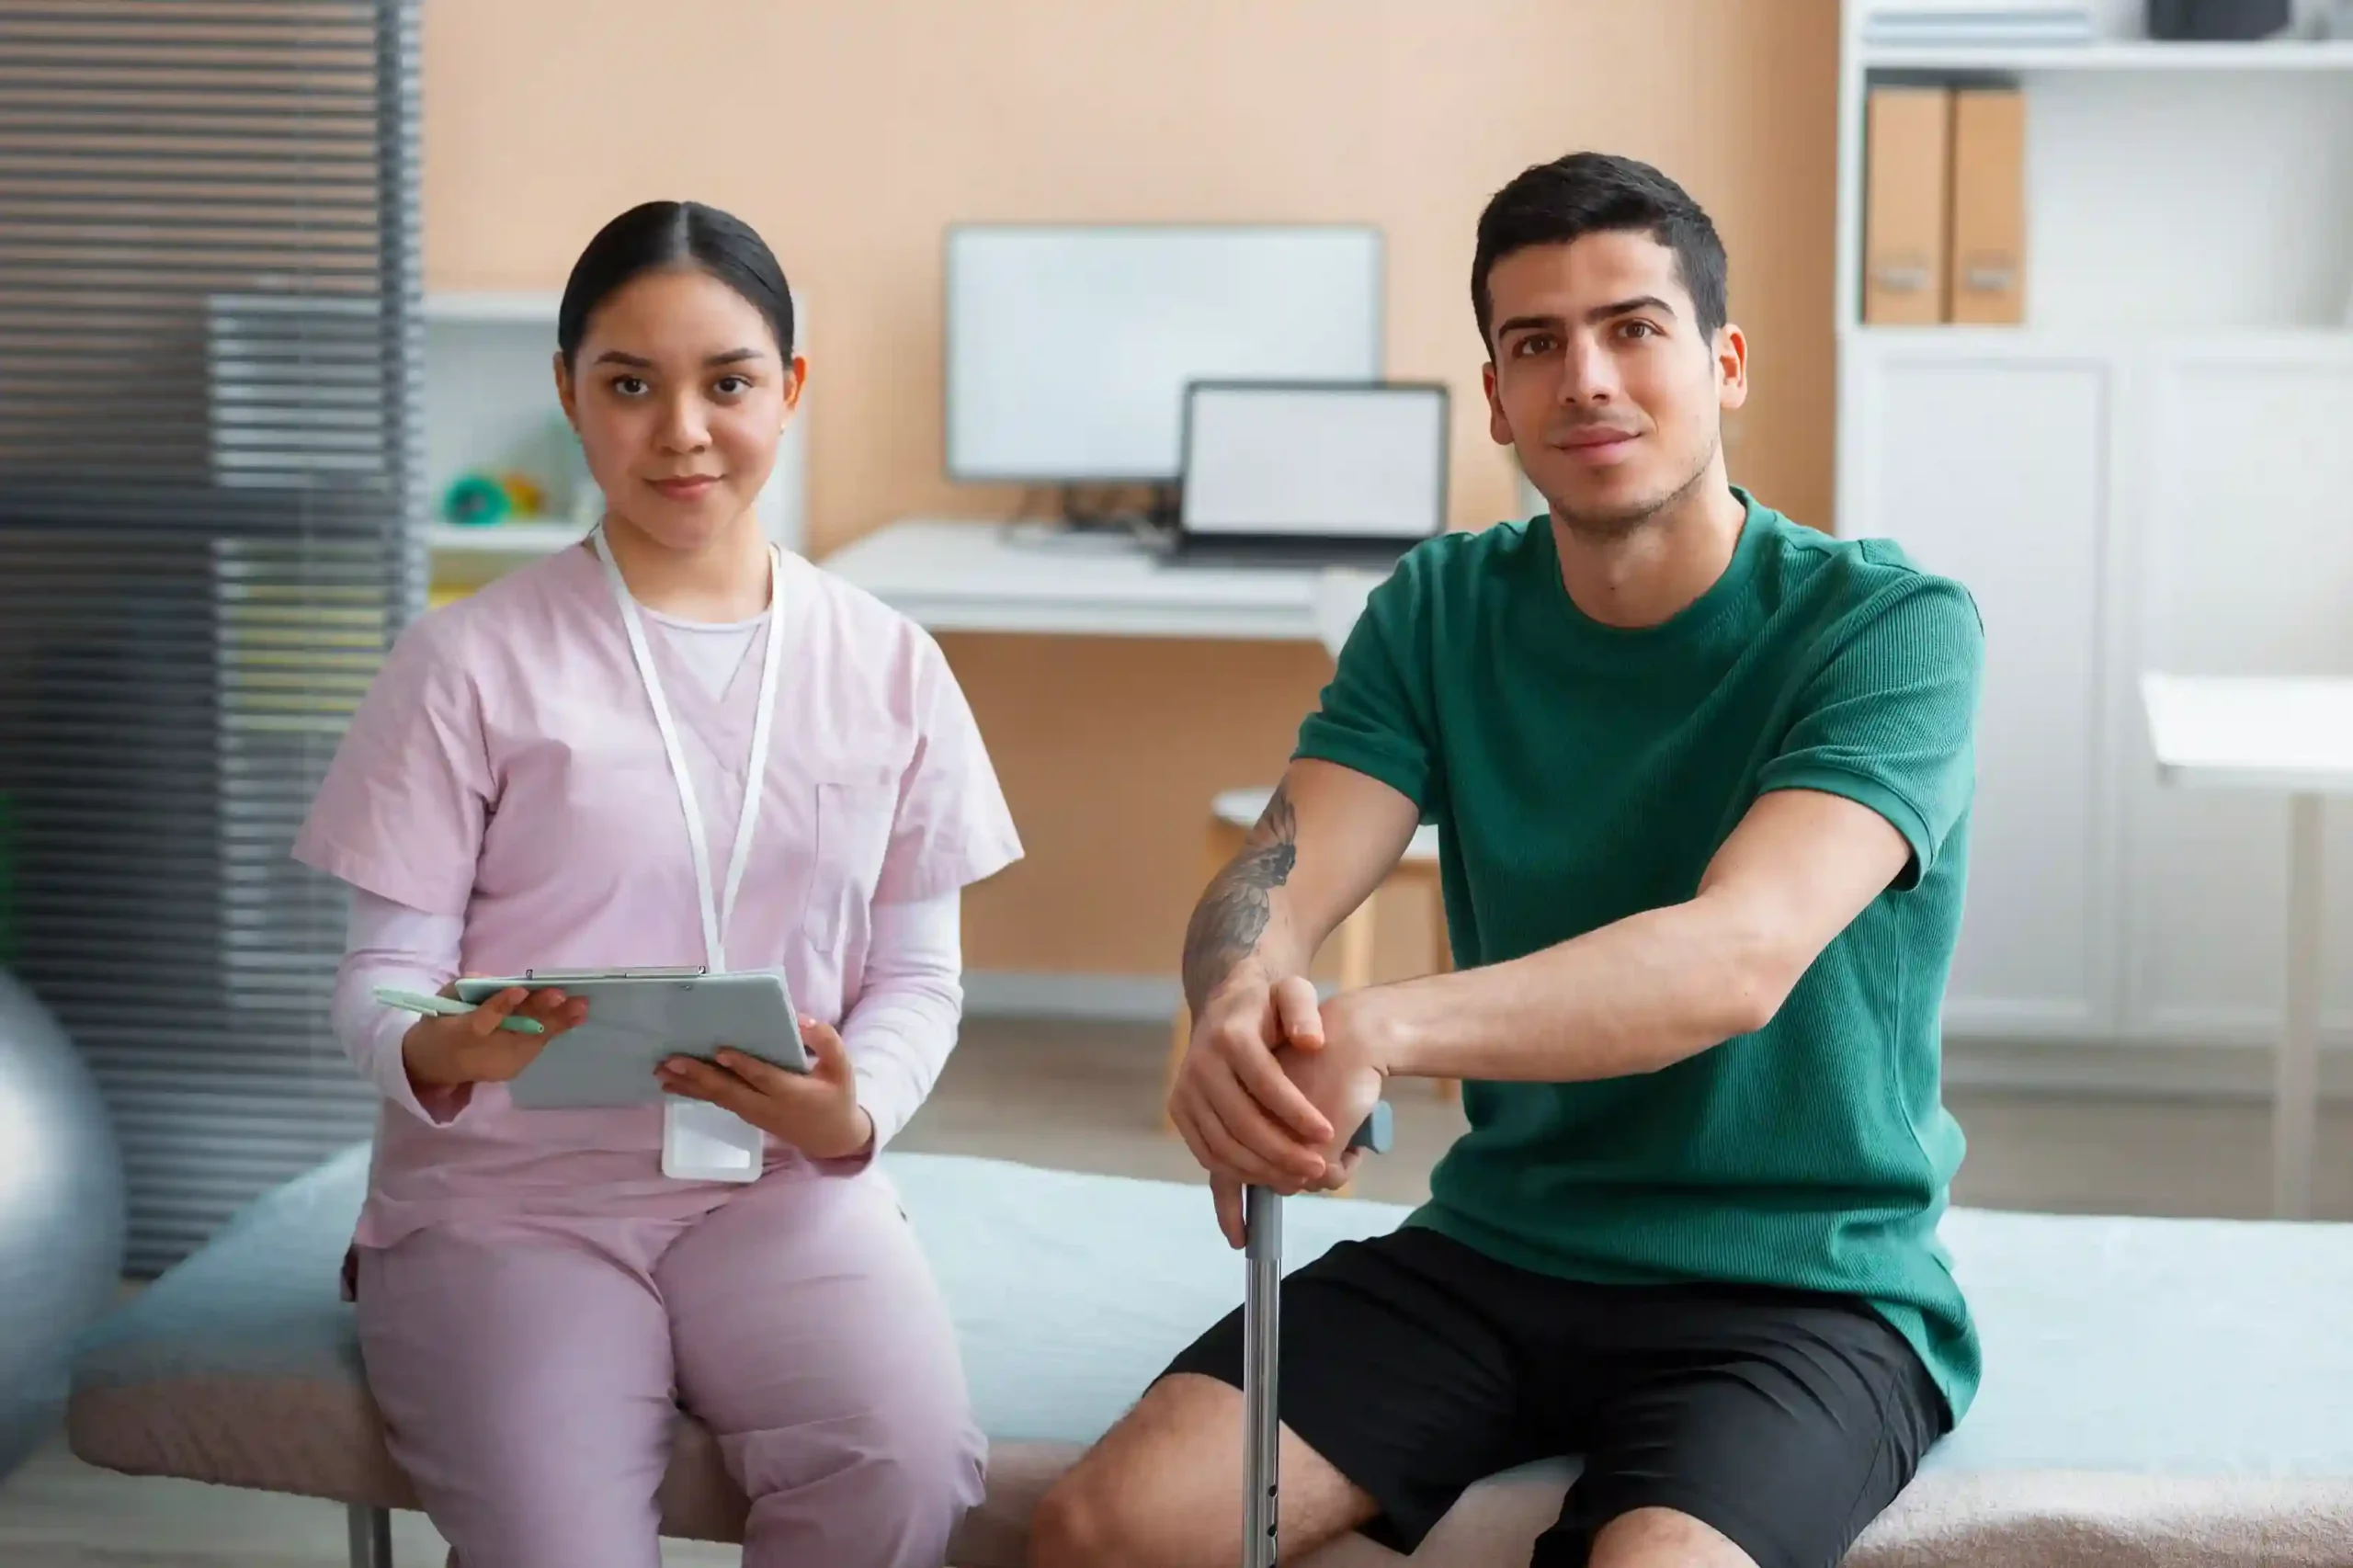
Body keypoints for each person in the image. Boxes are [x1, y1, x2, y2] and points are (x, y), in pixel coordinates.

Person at [1031, 152, 1985, 1568]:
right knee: (1102, 1531)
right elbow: (1281, 868)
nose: (1585, 377)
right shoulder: (1438, 607)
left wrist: (1381, 1025)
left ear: (1724, 363)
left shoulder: (1889, 628)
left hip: (1803, 1286)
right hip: (1506, 1249)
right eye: (1535, 343)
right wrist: (1238, 1000)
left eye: (1632, 329)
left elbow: (1735, 956)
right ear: (1496, 396)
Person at [293, 199, 1022, 1568]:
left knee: (903, 1474)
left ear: (790, 389)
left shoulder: (890, 665)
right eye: (630, 384)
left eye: (728, 382)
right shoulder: (462, 665)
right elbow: (378, 974)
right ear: (569, 392)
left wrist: (850, 1107)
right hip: (508, 1200)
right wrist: (434, 1041)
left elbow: (919, 973)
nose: (682, 429)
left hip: (777, 1180)